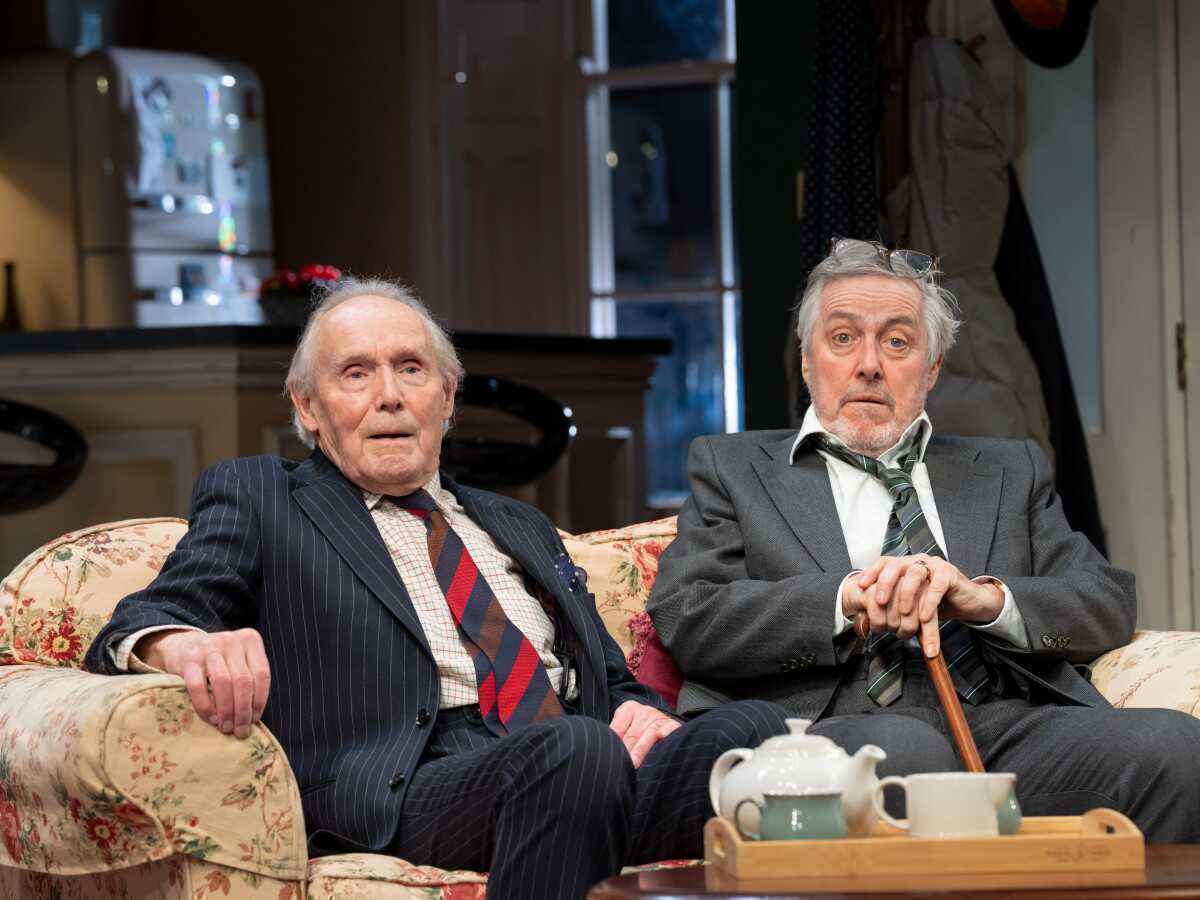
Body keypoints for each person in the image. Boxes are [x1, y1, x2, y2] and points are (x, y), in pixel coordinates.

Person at [85, 278, 787, 899]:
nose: (389, 395)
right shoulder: (263, 496)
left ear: (447, 397)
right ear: (308, 406)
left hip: (578, 758)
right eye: (356, 374)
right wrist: (184, 645)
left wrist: (642, 713)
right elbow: (149, 614)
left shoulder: (516, 522)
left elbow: (609, 678)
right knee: (577, 752)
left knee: (751, 734)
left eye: (411, 369)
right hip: (406, 782)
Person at [647, 238, 1200, 843]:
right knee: (907, 753)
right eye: (842, 338)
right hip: (828, 730)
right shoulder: (734, 468)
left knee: (1173, 746)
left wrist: (987, 600)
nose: (868, 365)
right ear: (807, 361)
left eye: (897, 342)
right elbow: (689, 613)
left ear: (931, 369)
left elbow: (1105, 601)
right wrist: (847, 600)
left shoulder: (1007, 469)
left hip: (1002, 725)